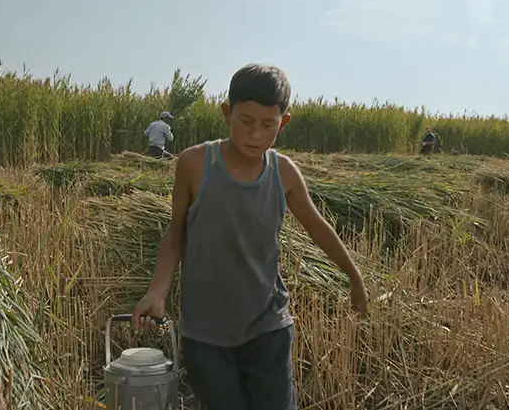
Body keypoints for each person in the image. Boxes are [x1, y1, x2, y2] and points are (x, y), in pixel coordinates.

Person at [131, 63, 368, 410]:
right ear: (227, 114)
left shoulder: (284, 172)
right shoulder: (195, 164)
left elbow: (317, 227)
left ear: (283, 122)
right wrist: (157, 290)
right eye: (246, 122)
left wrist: (354, 275)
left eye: (268, 125)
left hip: (267, 325)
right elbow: (175, 231)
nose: (256, 134)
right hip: (205, 332)